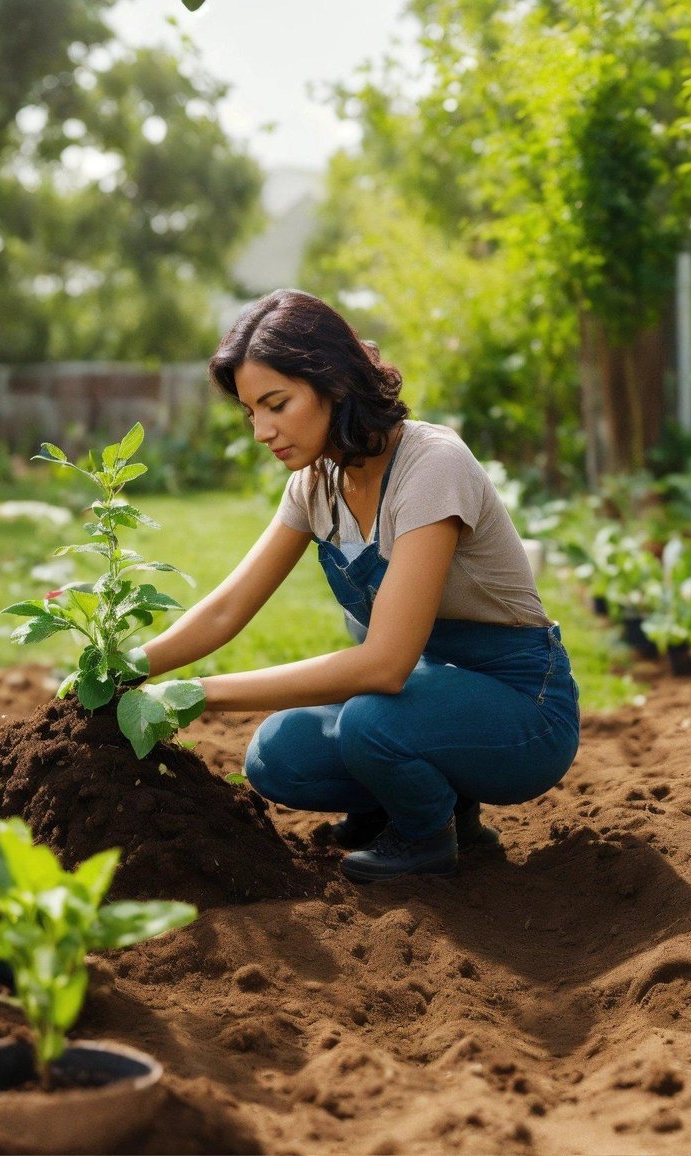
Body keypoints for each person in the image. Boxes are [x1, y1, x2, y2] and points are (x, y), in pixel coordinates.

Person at [141, 289, 580, 882]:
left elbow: (385, 665)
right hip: (425, 697)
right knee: (277, 757)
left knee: (371, 722)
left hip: (522, 706)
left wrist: (199, 693)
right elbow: (227, 610)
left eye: (277, 403)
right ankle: (408, 802)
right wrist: (129, 667)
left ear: (335, 383)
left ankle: (431, 836)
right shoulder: (315, 483)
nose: (261, 431)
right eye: (252, 412)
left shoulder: (432, 466)